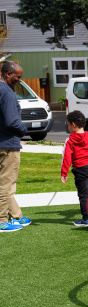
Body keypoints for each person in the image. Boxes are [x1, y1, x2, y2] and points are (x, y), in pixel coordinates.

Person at [0, 61, 31, 232]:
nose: (19, 80)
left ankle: (17, 215)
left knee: (6, 183)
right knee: (6, 184)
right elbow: (12, 121)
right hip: (8, 145)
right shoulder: (8, 93)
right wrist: (25, 130)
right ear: (7, 74)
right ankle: (2, 220)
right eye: (17, 76)